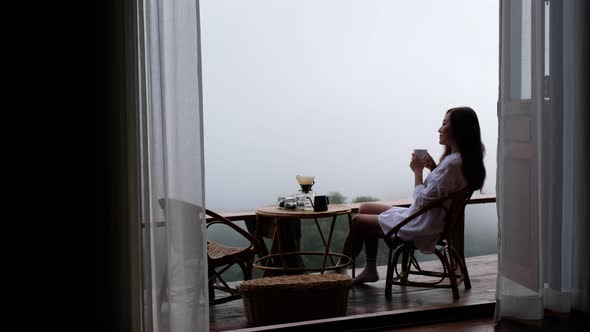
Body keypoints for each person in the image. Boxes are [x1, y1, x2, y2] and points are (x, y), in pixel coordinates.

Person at [335, 106, 486, 284]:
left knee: (358, 222)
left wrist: (417, 172)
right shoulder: (460, 160)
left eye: (444, 124)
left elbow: (421, 200)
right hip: (428, 218)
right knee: (366, 208)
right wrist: (433, 168)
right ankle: (370, 270)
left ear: (459, 129)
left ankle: (339, 270)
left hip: (422, 223)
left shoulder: (452, 165)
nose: (439, 129)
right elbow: (443, 190)